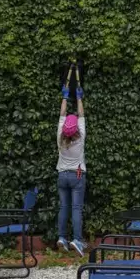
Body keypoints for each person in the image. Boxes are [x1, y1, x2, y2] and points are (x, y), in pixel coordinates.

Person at [56, 84, 87, 256]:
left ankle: (61, 237)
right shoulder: (80, 138)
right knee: (76, 208)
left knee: (63, 207)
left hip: (62, 175)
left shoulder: (60, 137)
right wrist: (79, 98)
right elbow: (81, 115)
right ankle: (76, 240)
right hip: (77, 175)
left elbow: (62, 115)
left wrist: (65, 97)